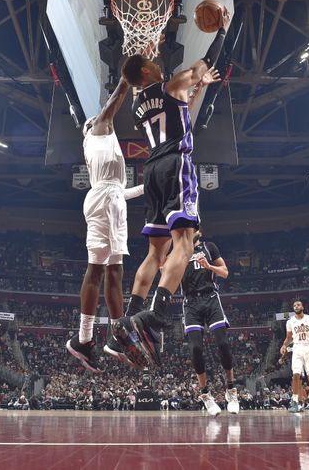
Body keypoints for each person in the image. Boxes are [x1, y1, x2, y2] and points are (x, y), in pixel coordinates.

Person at [113, 21, 229, 367]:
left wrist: (192, 90)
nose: (160, 64)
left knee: (154, 251)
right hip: (177, 165)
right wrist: (219, 34)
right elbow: (200, 66)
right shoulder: (170, 85)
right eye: (153, 63)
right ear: (147, 70)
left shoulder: (138, 105)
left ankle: (129, 315)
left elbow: (179, 112)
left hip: (151, 170)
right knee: (185, 244)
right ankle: (156, 316)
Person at [65, 76, 145, 372]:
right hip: (101, 201)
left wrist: (147, 187)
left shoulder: (107, 145)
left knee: (116, 272)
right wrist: (127, 77)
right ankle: (83, 339)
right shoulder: (96, 133)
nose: (104, 121)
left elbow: (119, 190)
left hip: (113, 200)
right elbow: (111, 107)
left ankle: (118, 335)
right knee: (96, 270)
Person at [178, 231, 237, 416]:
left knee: (223, 344)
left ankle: (231, 390)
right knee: (195, 348)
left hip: (210, 297)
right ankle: (205, 394)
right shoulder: (178, 251)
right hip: (190, 302)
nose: (190, 232)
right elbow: (165, 272)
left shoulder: (209, 247)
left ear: (199, 232)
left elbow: (225, 272)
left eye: (193, 229)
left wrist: (209, 266)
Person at [278, 301, 309, 414]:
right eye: (294, 305)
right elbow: (289, 338)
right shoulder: (290, 322)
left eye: (298, 305)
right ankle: (294, 402)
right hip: (297, 348)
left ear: (302, 307)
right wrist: (284, 345)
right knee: (295, 375)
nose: (296, 306)